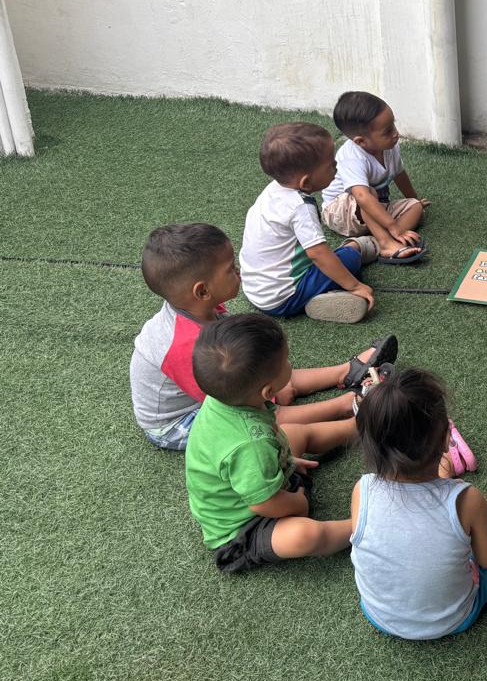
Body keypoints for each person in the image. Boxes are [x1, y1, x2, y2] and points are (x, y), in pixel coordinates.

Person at [130, 223, 397, 449]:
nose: (239, 271)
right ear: (202, 291)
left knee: (273, 369)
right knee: (262, 422)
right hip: (180, 421)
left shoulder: (202, 308)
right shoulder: (185, 345)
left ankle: (347, 371)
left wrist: (273, 387)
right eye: (230, 269)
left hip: (224, 386)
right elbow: (239, 407)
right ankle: (348, 407)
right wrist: (273, 397)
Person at [350, 367, 487, 640]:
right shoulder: (466, 499)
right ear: (445, 439)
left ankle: (446, 470)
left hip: (380, 615)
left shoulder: (362, 490)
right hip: (453, 618)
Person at [184, 314, 357, 572]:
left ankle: (357, 426)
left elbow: (260, 448)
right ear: (267, 391)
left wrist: (285, 459)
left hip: (258, 478)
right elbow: (264, 504)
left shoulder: (224, 398)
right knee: (304, 535)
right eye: (286, 361)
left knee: (294, 433)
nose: (289, 363)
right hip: (244, 526)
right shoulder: (250, 446)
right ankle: (359, 527)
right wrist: (298, 503)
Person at [240, 122, 379, 323]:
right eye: (330, 164)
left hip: (257, 292)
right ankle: (353, 250)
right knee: (349, 258)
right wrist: (355, 286)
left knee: (326, 259)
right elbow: (318, 254)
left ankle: (317, 296)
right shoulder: (300, 206)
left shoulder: (270, 192)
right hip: (287, 296)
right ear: (305, 182)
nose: (336, 165)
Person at [320, 91, 428, 265]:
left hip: (373, 208)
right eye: (387, 131)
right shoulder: (352, 156)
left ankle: (376, 240)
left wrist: (414, 198)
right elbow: (362, 197)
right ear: (361, 141)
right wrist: (394, 226)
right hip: (340, 212)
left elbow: (399, 174)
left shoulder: (390, 146)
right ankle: (385, 244)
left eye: (393, 125)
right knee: (367, 194)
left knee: (416, 208)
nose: (396, 133)